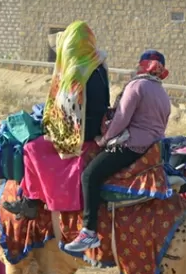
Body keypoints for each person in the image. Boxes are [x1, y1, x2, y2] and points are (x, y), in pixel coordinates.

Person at [63, 50, 172, 252]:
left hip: (131, 145)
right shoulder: (162, 93)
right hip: (152, 147)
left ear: (142, 65)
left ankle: (89, 231)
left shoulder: (137, 86)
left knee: (89, 175)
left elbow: (121, 119)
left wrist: (103, 140)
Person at [3, 21, 110, 219]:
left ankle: (31, 201)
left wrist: (53, 130)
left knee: (31, 148)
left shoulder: (78, 72)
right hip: (96, 130)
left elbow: (67, 113)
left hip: (81, 136)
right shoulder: (100, 66)